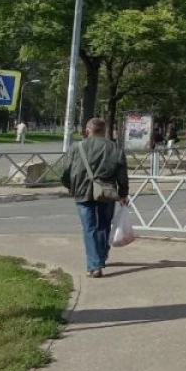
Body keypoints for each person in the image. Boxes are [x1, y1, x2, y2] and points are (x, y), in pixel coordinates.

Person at [59, 118, 129, 278]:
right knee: (104, 226)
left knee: (89, 228)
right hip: (107, 193)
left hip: (82, 192)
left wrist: (70, 187)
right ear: (104, 131)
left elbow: (65, 172)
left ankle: (95, 265)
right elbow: (122, 175)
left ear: (88, 130)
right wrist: (123, 194)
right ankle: (101, 256)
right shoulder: (114, 148)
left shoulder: (76, 148)